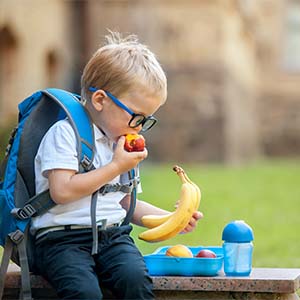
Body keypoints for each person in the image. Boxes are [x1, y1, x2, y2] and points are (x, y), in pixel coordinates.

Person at [32, 31, 203, 300]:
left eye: (146, 119)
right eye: (136, 116)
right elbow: (61, 191)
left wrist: (173, 219)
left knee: (136, 280)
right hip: (61, 241)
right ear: (100, 100)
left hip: (112, 237)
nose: (139, 127)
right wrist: (115, 166)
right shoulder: (65, 134)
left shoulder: (120, 144)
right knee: (84, 293)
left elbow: (125, 202)